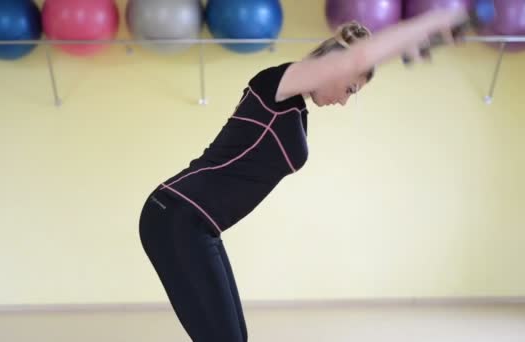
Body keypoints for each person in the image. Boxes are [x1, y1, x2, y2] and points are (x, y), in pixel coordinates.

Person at [139, 7, 470, 342]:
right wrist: (433, 21)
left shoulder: (296, 108)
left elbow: (360, 60)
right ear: (335, 67)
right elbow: (360, 57)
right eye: (351, 90)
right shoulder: (276, 86)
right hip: (176, 216)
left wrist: (414, 42)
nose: (344, 101)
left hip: (197, 225)